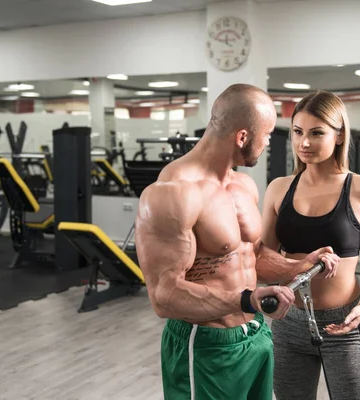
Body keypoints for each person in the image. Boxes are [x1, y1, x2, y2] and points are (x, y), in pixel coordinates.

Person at [134, 83, 340, 400]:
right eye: (267, 135)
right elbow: (164, 296)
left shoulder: (242, 186)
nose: (270, 143)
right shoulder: (173, 193)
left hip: (254, 334)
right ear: (242, 137)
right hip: (205, 344)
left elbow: (252, 253)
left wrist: (299, 265)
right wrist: (247, 299)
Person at [261, 90, 360, 400]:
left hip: (344, 326)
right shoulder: (279, 189)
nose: (304, 142)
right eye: (297, 132)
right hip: (287, 324)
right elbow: (263, 256)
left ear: (338, 135)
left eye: (316, 133)